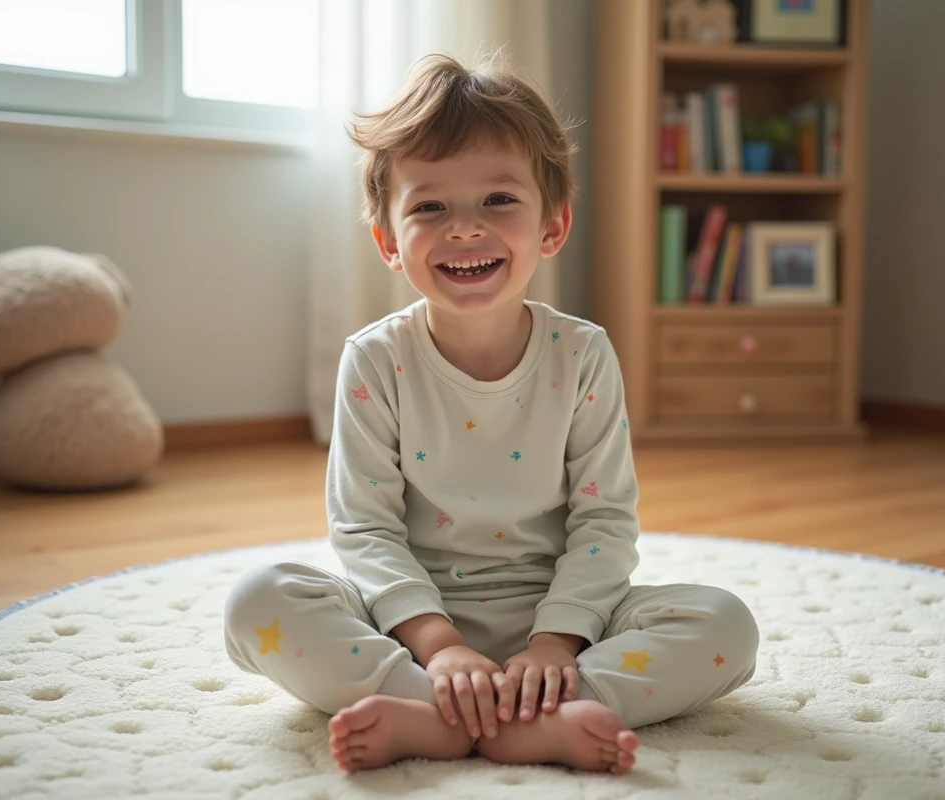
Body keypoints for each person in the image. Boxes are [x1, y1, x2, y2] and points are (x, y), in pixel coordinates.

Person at [223, 52, 759, 776]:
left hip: (562, 621)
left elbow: (604, 523)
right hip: (411, 624)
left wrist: (555, 646)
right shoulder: (375, 359)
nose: (465, 229)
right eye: (430, 207)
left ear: (552, 225)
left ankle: (525, 712)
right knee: (259, 602)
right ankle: (447, 710)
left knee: (725, 625)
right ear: (388, 241)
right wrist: (438, 647)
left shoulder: (584, 354)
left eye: (498, 201)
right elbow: (365, 528)